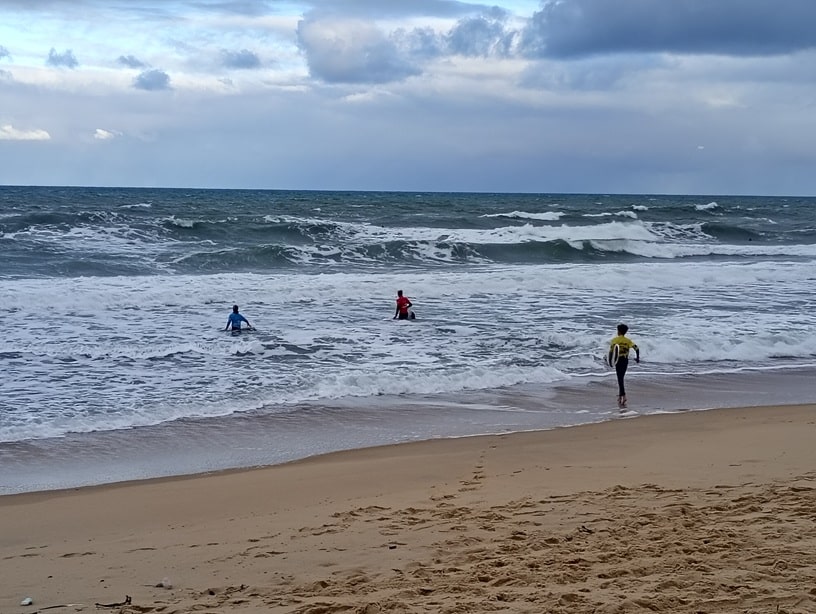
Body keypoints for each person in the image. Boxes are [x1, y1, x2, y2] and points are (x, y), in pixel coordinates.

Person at [608, 323, 640, 409]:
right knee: (621, 378)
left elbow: (611, 351)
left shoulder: (615, 340)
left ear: (618, 331)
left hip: (618, 361)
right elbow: (636, 348)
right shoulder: (628, 341)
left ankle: (623, 396)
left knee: (620, 378)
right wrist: (637, 358)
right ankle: (620, 395)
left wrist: (610, 362)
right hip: (625, 360)